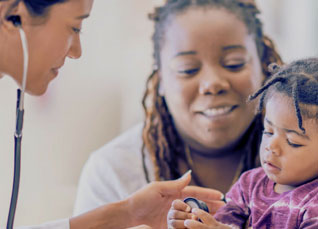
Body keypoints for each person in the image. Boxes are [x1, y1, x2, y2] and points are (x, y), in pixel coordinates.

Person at [0, 0, 224, 228]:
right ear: (11, 16)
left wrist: (128, 214)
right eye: (75, 27)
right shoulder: (110, 166)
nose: (77, 52)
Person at [73, 0, 282, 216]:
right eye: (187, 69)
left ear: (265, 67)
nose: (212, 83)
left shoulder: (309, 156)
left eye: (234, 63)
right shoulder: (113, 171)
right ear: (160, 79)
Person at [167, 58, 318, 228]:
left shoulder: (314, 204)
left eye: (293, 142)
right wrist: (195, 221)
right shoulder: (250, 184)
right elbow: (223, 224)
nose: (271, 146)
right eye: (268, 131)